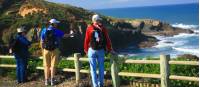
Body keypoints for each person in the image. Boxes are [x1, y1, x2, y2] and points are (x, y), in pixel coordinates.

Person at [84, 14, 115, 87]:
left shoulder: (89, 28)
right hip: (100, 50)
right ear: (97, 20)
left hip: (91, 50)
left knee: (93, 69)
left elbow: (86, 40)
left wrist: (85, 50)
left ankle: (95, 85)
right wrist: (110, 49)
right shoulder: (103, 28)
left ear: (93, 20)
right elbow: (107, 40)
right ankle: (101, 84)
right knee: (101, 68)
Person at [41, 18, 73, 86]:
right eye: (56, 23)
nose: (57, 24)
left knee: (46, 66)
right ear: (54, 24)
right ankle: (52, 80)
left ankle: (46, 81)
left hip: (46, 50)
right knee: (53, 66)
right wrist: (71, 34)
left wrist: (42, 50)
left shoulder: (44, 30)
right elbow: (64, 36)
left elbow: (42, 41)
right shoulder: (56, 30)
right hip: (54, 50)